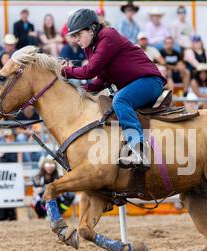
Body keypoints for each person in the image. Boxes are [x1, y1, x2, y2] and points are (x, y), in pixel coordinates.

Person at [61, 9, 166, 168]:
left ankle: (139, 149)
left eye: (78, 35)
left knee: (120, 100)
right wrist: (79, 90)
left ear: (92, 28)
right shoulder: (91, 46)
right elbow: (102, 80)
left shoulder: (108, 35)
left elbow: (90, 71)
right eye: (73, 36)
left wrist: (63, 71)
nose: (76, 40)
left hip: (150, 81)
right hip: (136, 84)